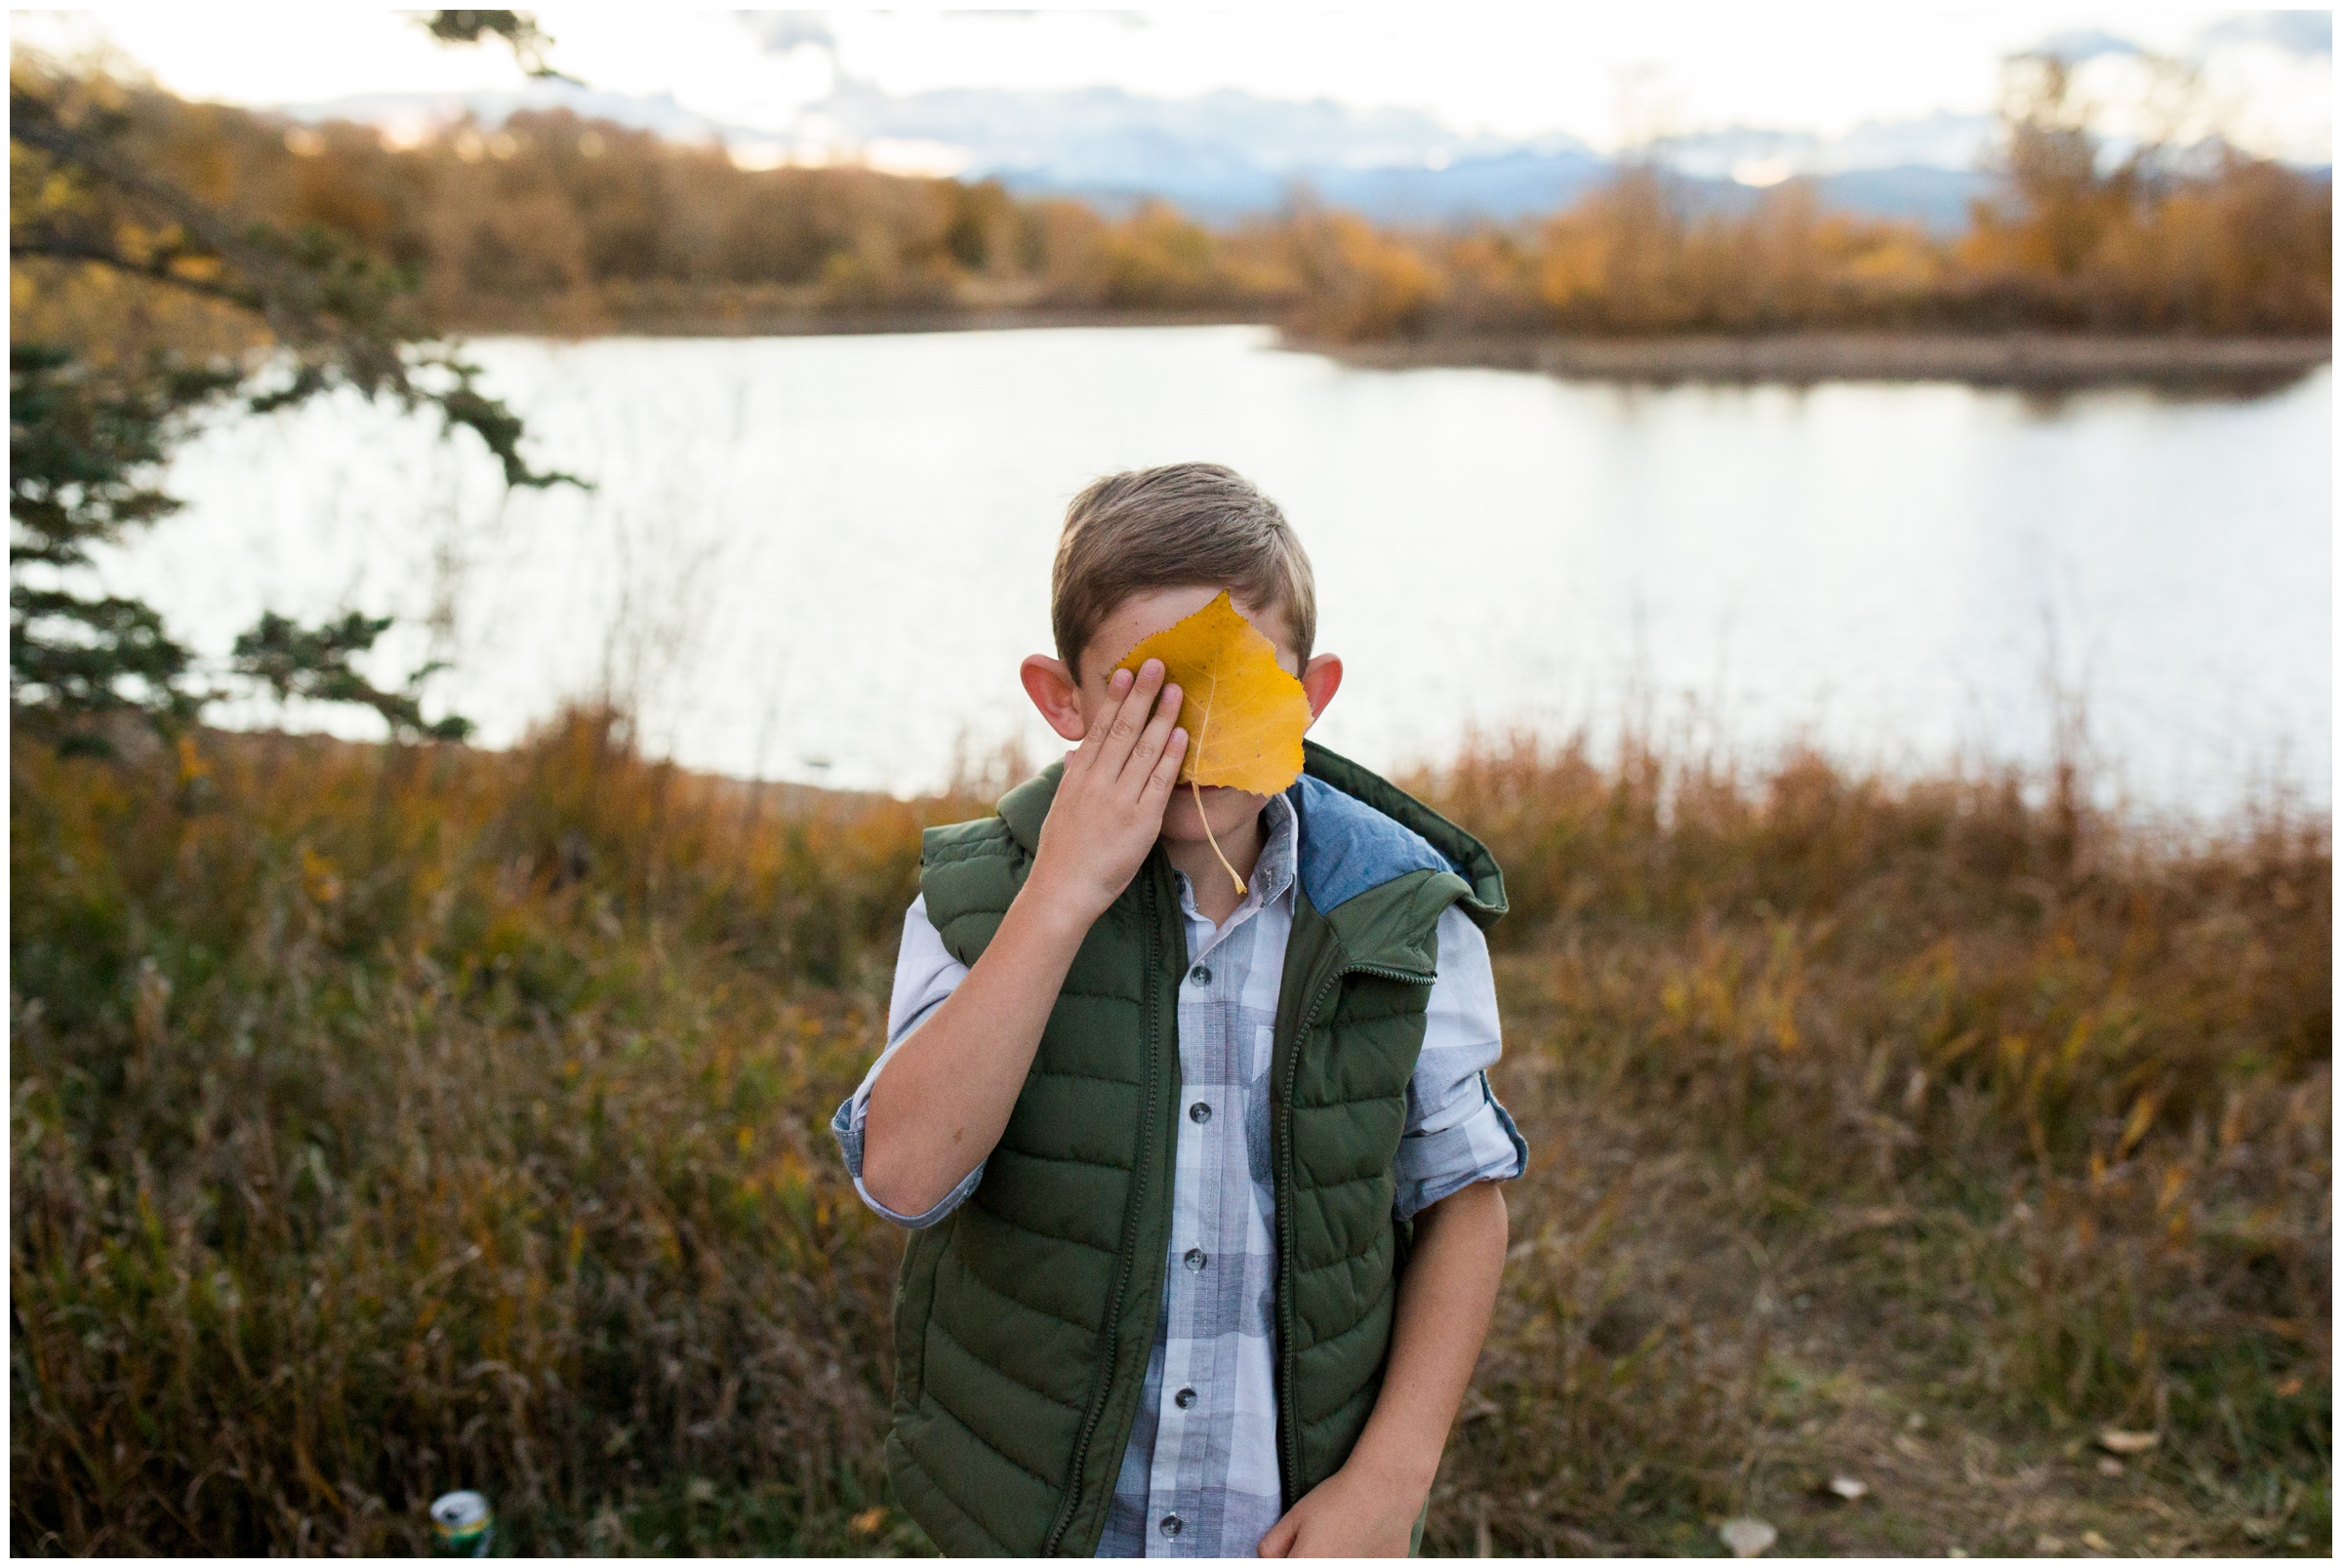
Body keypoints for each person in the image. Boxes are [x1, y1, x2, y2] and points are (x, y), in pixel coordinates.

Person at [829, 462, 1526, 1557]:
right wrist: (1059, 896)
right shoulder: (982, 898)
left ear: (1310, 692)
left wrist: (1392, 1478)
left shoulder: (1397, 915)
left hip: (1288, 1516)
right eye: (1149, 693)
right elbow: (904, 1175)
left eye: (1237, 685)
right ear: (1063, 700)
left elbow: (1462, 1195)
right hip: (1044, 1520)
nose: (1196, 739)